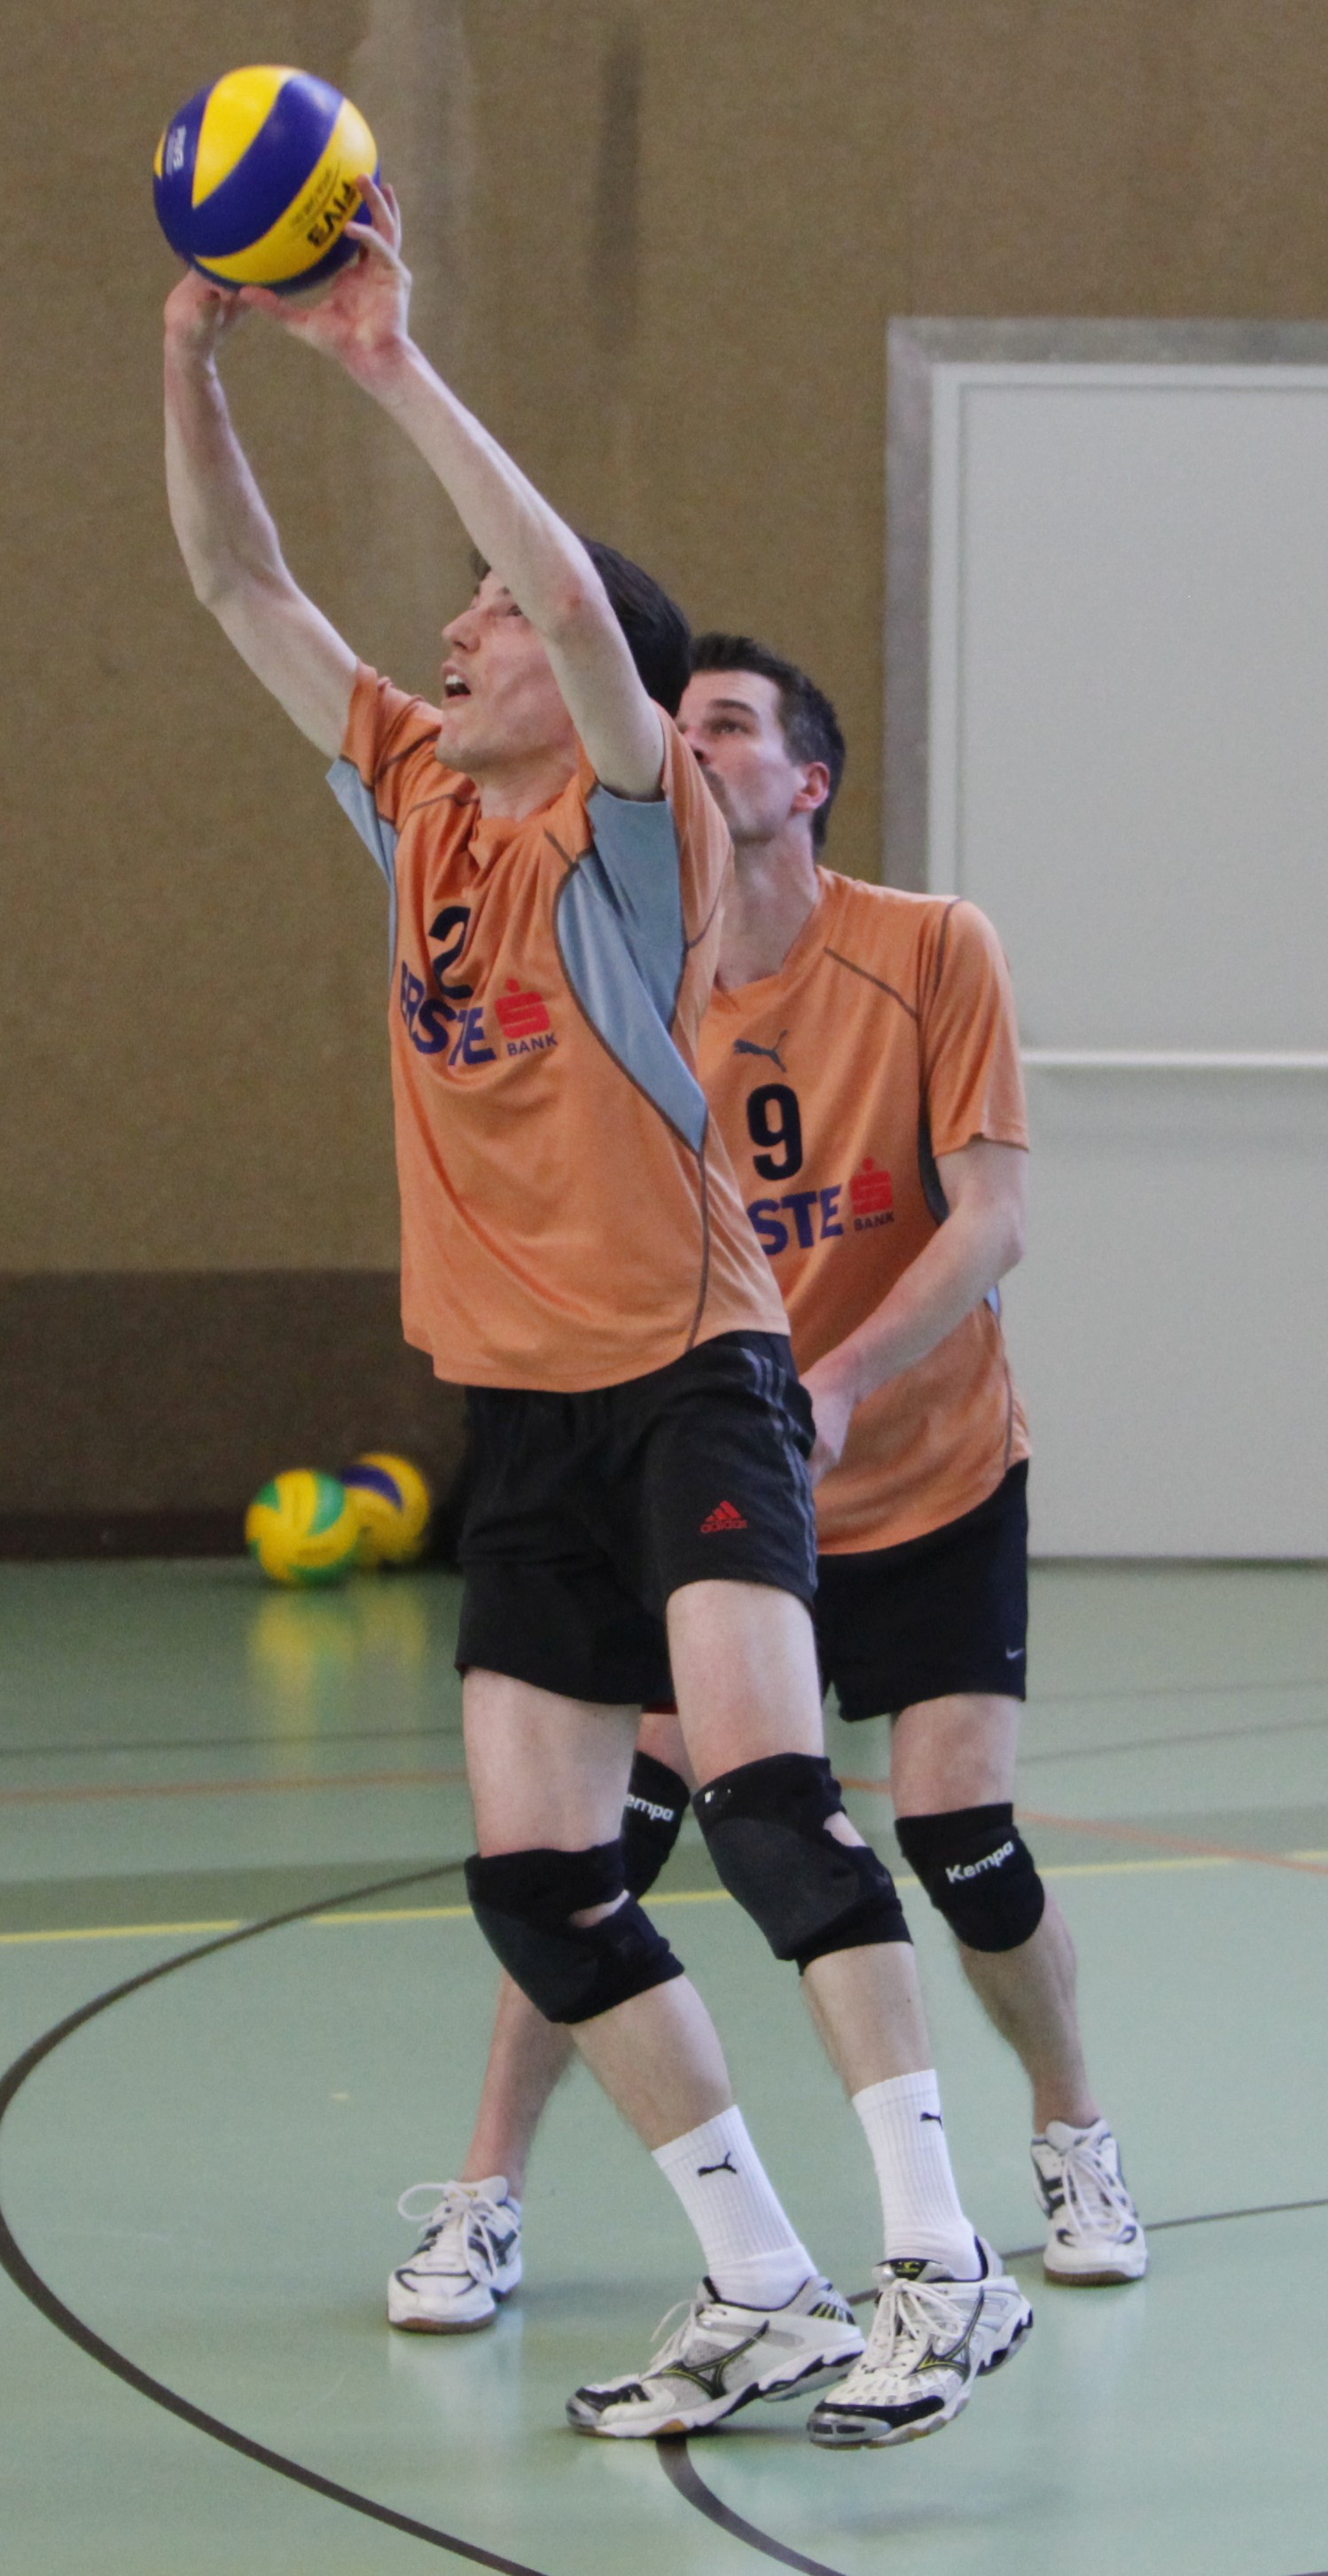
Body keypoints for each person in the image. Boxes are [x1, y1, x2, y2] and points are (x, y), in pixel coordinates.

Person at [163, 181, 1030, 2452]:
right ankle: (759, 2283)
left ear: (589, 686)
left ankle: (941, 2264)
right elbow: (238, 585)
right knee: (542, 1881)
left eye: (488, 618)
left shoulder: (627, 840)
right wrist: (191, 354)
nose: (456, 636)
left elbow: (563, 592)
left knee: (768, 1809)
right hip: (522, 1414)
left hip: (693, 1383)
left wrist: (387, 365)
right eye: (451, 617)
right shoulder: (413, 803)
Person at [389, 635, 1146, 2382]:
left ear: (805, 781)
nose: (689, 743)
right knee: (585, 1846)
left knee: (959, 1836)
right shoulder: (621, 951)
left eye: (726, 724)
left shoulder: (926, 948)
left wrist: (845, 1374)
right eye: (677, 724)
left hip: (921, 1470)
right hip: (712, 1483)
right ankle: (486, 2190)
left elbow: (991, 1216)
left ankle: (1069, 2128)